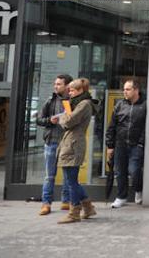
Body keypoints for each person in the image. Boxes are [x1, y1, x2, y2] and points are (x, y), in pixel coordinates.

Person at [56, 78, 96, 224]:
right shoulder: (77, 104)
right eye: (70, 90)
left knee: (71, 181)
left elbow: (68, 121)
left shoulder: (84, 104)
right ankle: (88, 207)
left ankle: (74, 212)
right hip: (70, 143)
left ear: (81, 90)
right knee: (71, 180)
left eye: (73, 90)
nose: (70, 93)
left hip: (74, 144)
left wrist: (62, 117)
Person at [35, 74, 73, 216]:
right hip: (51, 141)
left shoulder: (72, 101)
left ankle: (66, 201)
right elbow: (39, 120)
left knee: (67, 175)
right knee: (49, 176)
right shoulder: (50, 100)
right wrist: (50, 121)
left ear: (67, 86)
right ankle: (46, 203)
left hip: (67, 142)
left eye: (58, 84)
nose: (55, 86)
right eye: (55, 84)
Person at [106, 79, 147, 208]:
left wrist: (141, 143)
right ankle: (121, 197)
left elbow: (147, 126)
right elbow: (112, 126)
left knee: (134, 170)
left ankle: (138, 189)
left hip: (136, 144)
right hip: (120, 144)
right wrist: (110, 145)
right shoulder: (120, 105)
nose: (124, 92)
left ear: (136, 90)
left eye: (128, 89)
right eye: (124, 89)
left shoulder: (145, 105)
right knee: (120, 171)